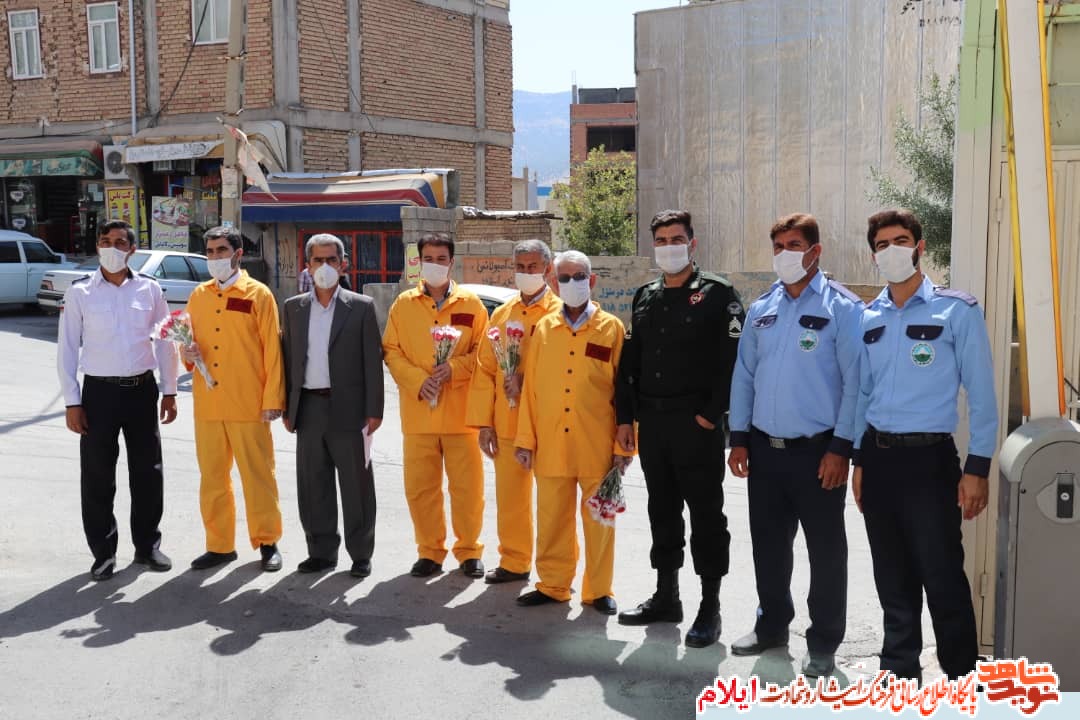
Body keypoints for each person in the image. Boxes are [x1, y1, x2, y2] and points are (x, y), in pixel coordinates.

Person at [852, 208, 997, 683]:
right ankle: (898, 671)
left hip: (930, 462)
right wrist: (858, 459)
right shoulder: (868, 316)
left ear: (920, 247)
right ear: (873, 255)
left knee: (942, 574)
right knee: (891, 574)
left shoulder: (956, 310)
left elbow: (982, 395)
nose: (891, 250)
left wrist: (977, 468)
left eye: (900, 241)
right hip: (878, 460)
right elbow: (863, 394)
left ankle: (961, 675)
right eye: (881, 244)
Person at [726, 213, 863, 676]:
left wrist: (841, 448)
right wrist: (739, 438)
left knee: (825, 551)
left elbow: (856, 383)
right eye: (779, 246)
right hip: (765, 450)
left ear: (815, 251)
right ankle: (771, 626)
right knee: (768, 545)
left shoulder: (842, 308)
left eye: (794, 245)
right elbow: (745, 375)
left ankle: (823, 640)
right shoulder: (763, 307)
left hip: (818, 453)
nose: (785, 254)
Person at [613, 209, 745, 647]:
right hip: (653, 424)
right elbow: (630, 363)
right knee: (662, 510)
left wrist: (711, 415)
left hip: (696, 425)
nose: (669, 247)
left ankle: (710, 607)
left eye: (677, 239)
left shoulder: (717, 294)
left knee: (706, 515)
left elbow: (733, 362)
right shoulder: (646, 296)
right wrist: (625, 418)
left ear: (692, 243)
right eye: (661, 240)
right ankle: (666, 596)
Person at [57, 220, 178, 581]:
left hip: (141, 391)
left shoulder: (150, 289)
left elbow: (165, 340)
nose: (112, 247)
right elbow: (67, 348)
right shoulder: (80, 292)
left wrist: (170, 391)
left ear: (132, 250)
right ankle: (103, 553)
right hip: (99, 394)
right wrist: (72, 402)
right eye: (105, 241)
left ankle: (147, 546)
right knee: (97, 476)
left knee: (148, 473)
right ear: (98, 246)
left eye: (120, 242)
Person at [514, 250, 631, 615]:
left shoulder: (611, 328)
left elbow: (626, 392)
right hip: (550, 442)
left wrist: (624, 447)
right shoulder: (544, 329)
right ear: (554, 283)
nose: (571, 283)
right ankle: (553, 584)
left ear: (591, 280)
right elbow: (531, 391)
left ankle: (598, 590)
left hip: (597, 444)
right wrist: (525, 440)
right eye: (563, 278)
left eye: (578, 277)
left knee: (600, 521)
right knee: (551, 519)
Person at [383, 232, 489, 579]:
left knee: (467, 490)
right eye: (428, 258)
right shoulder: (403, 305)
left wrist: (455, 368)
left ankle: (469, 550)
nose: (435, 265)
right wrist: (418, 380)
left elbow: (485, 352)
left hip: (461, 416)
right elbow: (391, 351)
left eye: (441, 259)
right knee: (421, 489)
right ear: (419, 262)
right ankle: (429, 551)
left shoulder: (471, 304)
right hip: (419, 416)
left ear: (451, 262)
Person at [182, 225, 286, 573]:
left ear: (238, 254)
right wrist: (186, 353)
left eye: (221, 250)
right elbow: (189, 346)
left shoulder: (259, 295)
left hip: (248, 403)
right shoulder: (198, 295)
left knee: (258, 476)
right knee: (212, 478)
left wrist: (273, 398)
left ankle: (268, 541)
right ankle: (219, 545)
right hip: (208, 404)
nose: (215, 257)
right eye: (210, 251)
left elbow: (272, 350)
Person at [282, 234, 384, 578]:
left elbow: (372, 362)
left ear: (343, 265)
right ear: (307, 266)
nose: (324, 266)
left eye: (331, 260)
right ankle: (321, 552)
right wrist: (287, 407)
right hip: (308, 407)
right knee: (313, 485)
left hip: (350, 409)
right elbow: (288, 360)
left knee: (356, 486)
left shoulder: (362, 307)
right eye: (317, 260)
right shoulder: (293, 308)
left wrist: (374, 410)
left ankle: (361, 554)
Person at [466, 239, 560, 584]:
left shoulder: (560, 312)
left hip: (546, 424)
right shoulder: (503, 314)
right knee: (510, 499)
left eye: (532, 267)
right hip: (507, 423)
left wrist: (526, 380)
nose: (526, 273)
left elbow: (565, 370)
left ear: (547, 269)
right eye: (520, 267)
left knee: (553, 504)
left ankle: (555, 574)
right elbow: (484, 370)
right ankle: (514, 561)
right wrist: (484, 423)